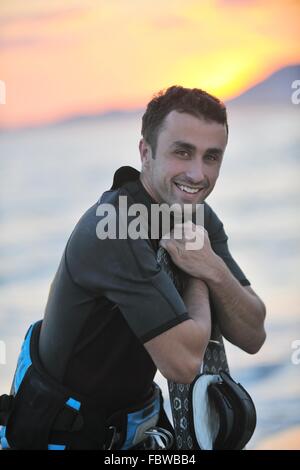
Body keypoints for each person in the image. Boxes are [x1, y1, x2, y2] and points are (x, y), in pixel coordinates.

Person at [0, 86, 266, 450]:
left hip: (136, 430)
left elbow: (253, 333)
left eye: (211, 157)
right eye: (182, 152)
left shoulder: (199, 219)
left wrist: (211, 267)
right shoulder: (115, 228)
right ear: (145, 152)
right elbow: (183, 362)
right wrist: (199, 275)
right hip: (62, 435)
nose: (197, 173)